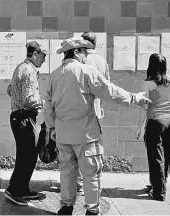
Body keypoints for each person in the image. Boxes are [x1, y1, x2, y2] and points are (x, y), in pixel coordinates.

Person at [44, 37, 151, 215]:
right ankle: (92, 210)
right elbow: (110, 92)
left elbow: (48, 106)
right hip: (86, 134)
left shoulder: (54, 75)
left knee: (67, 172)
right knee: (91, 174)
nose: (87, 56)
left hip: (63, 134)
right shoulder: (86, 71)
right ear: (77, 52)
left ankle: (66, 207)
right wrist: (135, 98)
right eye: (85, 52)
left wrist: (52, 128)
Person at [4, 41, 51, 206]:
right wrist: (48, 103)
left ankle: (19, 188)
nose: (44, 59)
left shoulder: (20, 67)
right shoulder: (30, 71)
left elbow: (10, 89)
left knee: (26, 155)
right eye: (43, 55)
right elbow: (29, 99)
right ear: (35, 54)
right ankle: (16, 191)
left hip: (18, 117)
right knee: (28, 156)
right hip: (24, 118)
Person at [134, 53, 170, 201]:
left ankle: (159, 193)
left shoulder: (148, 83)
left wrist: (139, 128)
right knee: (166, 156)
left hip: (157, 122)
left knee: (156, 158)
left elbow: (144, 107)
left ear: (150, 66)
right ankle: (158, 184)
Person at [76, 31, 111, 196]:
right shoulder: (102, 62)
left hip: (78, 109)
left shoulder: (79, 59)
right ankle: (90, 182)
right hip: (95, 111)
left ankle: (77, 182)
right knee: (92, 148)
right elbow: (107, 88)